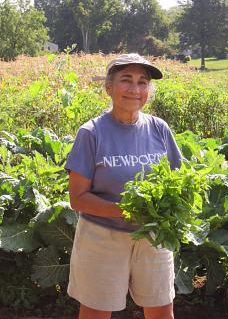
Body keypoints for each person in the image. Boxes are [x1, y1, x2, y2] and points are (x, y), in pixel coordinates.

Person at [65, 53, 182, 319]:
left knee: (162, 310)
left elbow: (177, 181)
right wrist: (127, 211)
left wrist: (171, 212)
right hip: (102, 237)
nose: (135, 89)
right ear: (109, 87)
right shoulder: (92, 132)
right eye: (126, 80)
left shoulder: (159, 129)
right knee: (96, 312)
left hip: (153, 236)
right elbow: (78, 198)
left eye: (143, 82)